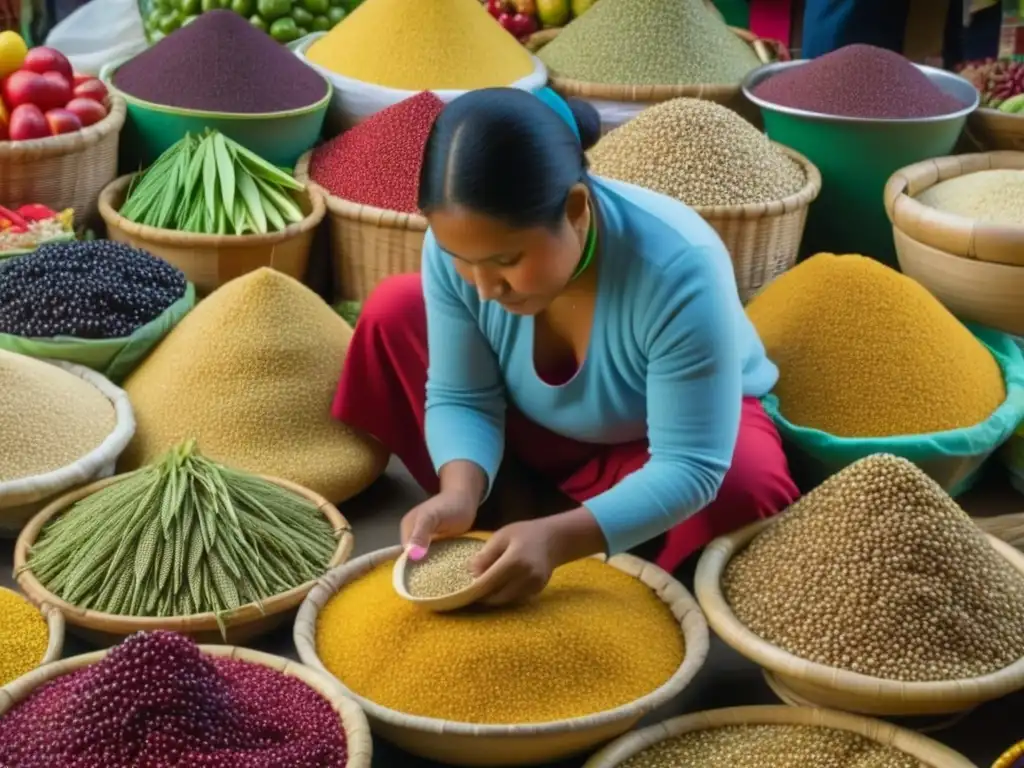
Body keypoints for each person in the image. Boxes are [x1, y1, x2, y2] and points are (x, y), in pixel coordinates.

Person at [332, 87, 799, 606]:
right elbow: (462, 395)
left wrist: (561, 539)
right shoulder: (457, 251)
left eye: (507, 260)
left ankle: (568, 528)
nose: (485, 287)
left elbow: (690, 463)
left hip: (653, 438)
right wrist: (459, 491)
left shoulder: (679, 266)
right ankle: (510, 510)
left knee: (744, 482)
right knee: (394, 308)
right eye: (462, 259)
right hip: (534, 423)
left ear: (576, 209)